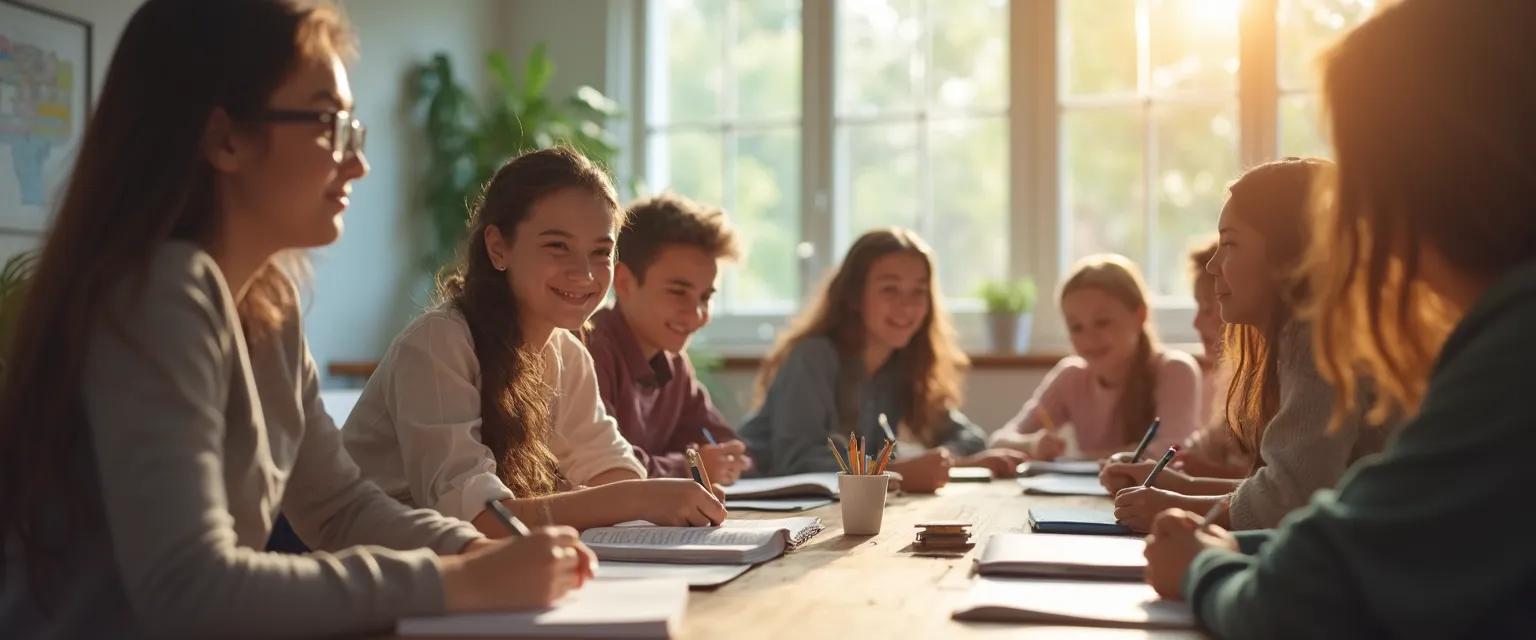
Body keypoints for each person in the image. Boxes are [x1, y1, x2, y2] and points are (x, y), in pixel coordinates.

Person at [0, 2, 592, 636]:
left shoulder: (265, 303)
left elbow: (337, 505)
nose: (357, 163)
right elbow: (187, 587)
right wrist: (458, 582)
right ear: (225, 137)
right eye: (327, 124)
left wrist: (472, 551)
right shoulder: (160, 290)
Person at [1143, 1, 1536, 635]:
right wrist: (1230, 546)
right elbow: (1386, 537)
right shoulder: (1498, 330)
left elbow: (1297, 598)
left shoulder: (1515, 349)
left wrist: (1199, 567)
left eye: (1362, 165)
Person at [343, 148, 727, 534]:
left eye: (601, 252)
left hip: (461, 573)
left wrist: (663, 499)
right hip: (361, 573)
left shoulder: (566, 352)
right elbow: (475, 519)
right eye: (557, 245)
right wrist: (638, 498)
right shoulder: (438, 343)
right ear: (498, 248)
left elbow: (605, 462)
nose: (585, 273)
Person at [1101, 159, 1391, 532]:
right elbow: (1287, 486)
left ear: (1291, 253)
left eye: (1230, 243)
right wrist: (1180, 485)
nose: (1214, 266)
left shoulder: (1317, 338)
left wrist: (1175, 507)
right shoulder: (1319, 331)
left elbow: (1291, 499)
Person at [739, 228, 1026, 491]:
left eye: (919, 291)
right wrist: (897, 473)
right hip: (760, 509)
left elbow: (970, 439)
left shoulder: (901, 366)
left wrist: (946, 463)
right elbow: (798, 461)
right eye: (890, 289)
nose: (907, 305)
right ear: (854, 296)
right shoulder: (813, 356)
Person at [587, 193, 751, 484]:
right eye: (678, 291)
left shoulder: (675, 365)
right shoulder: (591, 352)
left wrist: (726, 458)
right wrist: (691, 467)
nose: (697, 312)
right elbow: (606, 466)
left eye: (705, 297)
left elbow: (721, 443)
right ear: (624, 283)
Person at [989, 254, 1202, 461]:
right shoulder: (1071, 376)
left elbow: (1171, 450)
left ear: (1140, 315)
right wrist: (1032, 445)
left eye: (1102, 322)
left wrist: (1079, 460)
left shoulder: (1174, 370)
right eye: (1076, 327)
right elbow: (998, 441)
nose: (1089, 338)